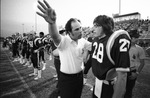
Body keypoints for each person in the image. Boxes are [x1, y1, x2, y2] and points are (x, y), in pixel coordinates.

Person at [37, 1, 91, 98]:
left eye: (80, 28)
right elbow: (55, 36)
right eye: (77, 29)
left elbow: (95, 46)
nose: (81, 31)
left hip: (79, 77)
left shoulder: (83, 40)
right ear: (69, 32)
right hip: (67, 79)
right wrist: (52, 23)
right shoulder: (64, 41)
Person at [91, 15, 131, 98]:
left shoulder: (116, 39)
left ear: (105, 26)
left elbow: (122, 74)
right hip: (97, 83)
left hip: (108, 85)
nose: (93, 29)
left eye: (96, 26)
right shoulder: (96, 39)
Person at [124, 29, 146, 98]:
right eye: (135, 37)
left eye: (137, 37)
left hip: (131, 72)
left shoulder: (139, 49)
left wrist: (136, 73)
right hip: (122, 71)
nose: (137, 39)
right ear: (130, 37)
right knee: (119, 91)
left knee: (128, 92)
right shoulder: (122, 47)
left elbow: (142, 63)